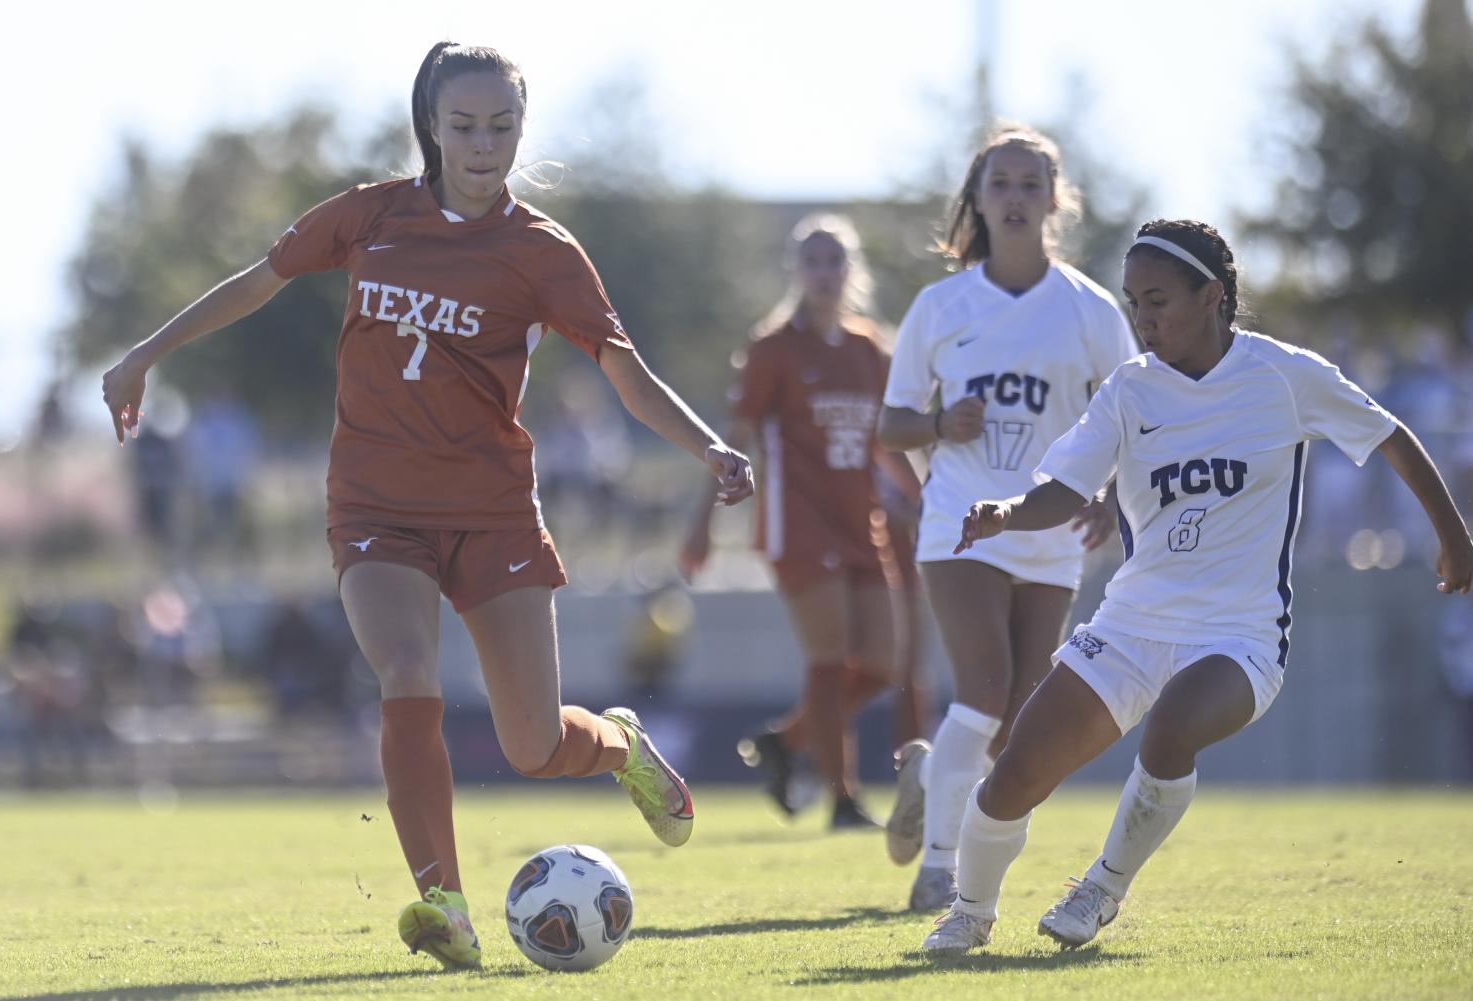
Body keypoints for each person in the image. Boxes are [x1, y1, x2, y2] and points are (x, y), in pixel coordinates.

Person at [101, 42, 753, 973]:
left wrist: (710, 447)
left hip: (493, 514)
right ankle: (443, 903)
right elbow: (256, 280)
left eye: (502, 126)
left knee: (532, 744)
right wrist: (143, 355)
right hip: (375, 505)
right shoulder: (369, 217)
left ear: (521, 131)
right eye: (464, 125)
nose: (484, 144)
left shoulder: (543, 252)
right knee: (406, 671)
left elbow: (626, 373)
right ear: (431, 127)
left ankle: (620, 746)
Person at [920, 219, 1473, 954]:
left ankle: (1100, 888)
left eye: (1156, 301)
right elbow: (1063, 490)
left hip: (1239, 635)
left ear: (1210, 295)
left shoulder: (1283, 374)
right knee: (1018, 768)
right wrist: (1006, 512)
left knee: (1174, 723)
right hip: (1129, 623)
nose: (1141, 320)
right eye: (1131, 304)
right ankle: (968, 910)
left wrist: (1453, 534)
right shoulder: (1127, 390)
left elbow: (1391, 437)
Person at [877, 124, 1137, 910]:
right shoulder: (939, 304)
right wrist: (937, 426)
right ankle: (938, 868)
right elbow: (888, 425)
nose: (1016, 198)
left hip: (1050, 529)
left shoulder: (1090, 309)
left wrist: (1109, 495)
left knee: (1016, 719)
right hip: (959, 518)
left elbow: (1132, 412)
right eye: (1001, 184)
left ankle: (930, 774)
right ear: (977, 200)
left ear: (1056, 199)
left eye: (1031, 184)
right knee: (983, 686)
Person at [680, 213, 918, 829]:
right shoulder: (773, 349)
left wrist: (924, 499)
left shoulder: (871, 350)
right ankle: (842, 797)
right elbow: (737, 439)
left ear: (851, 269)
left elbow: (887, 442)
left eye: (835, 259)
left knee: (885, 662)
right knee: (830, 660)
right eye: (813, 260)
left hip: (859, 521)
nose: (824, 272)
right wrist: (701, 524)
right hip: (800, 524)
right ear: (797, 271)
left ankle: (786, 742)